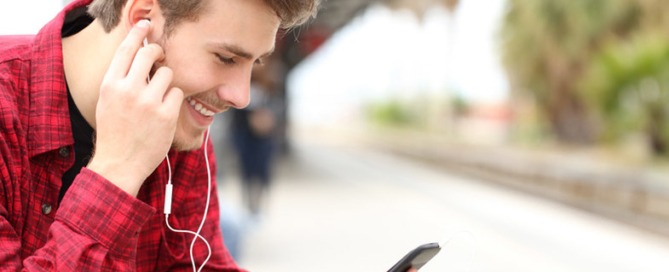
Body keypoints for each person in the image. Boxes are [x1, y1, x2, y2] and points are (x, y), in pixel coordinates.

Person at [0, 0, 317, 270]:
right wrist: (117, 171)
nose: (241, 96)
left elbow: (202, 263)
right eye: (226, 58)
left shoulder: (178, 117)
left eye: (256, 61)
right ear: (142, 22)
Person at [230, 59, 282, 216]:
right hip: (245, 136)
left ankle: (258, 203)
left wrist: (267, 120)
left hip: (264, 138)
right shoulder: (240, 85)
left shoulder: (271, 88)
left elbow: (278, 109)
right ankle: (247, 203)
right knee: (247, 169)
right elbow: (235, 114)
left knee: (262, 169)